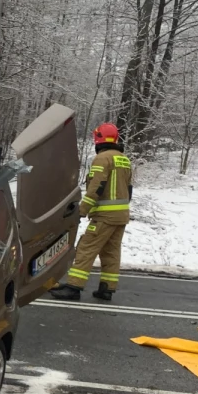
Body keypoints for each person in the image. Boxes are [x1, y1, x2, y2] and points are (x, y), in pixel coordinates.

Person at [49, 122, 133, 302]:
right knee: (111, 251)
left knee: (86, 248)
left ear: (98, 140)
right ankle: (107, 289)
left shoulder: (102, 159)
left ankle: (74, 287)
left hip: (105, 216)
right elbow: (129, 189)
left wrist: (81, 210)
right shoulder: (124, 159)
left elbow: (96, 186)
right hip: (121, 216)